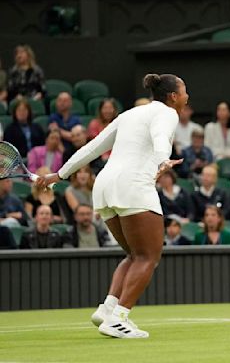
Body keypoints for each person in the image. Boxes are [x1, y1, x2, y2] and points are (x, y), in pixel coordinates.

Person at [37, 73, 187, 338]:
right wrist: (164, 158)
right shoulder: (168, 113)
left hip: (104, 186)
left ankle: (107, 309)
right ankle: (119, 318)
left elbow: (93, 147)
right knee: (148, 257)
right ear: (173, 96)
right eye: (184, 91)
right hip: (133, 185)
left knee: (134, 254)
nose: (187, 96)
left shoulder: (129, 114)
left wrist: (58, 174)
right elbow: (160, 134)